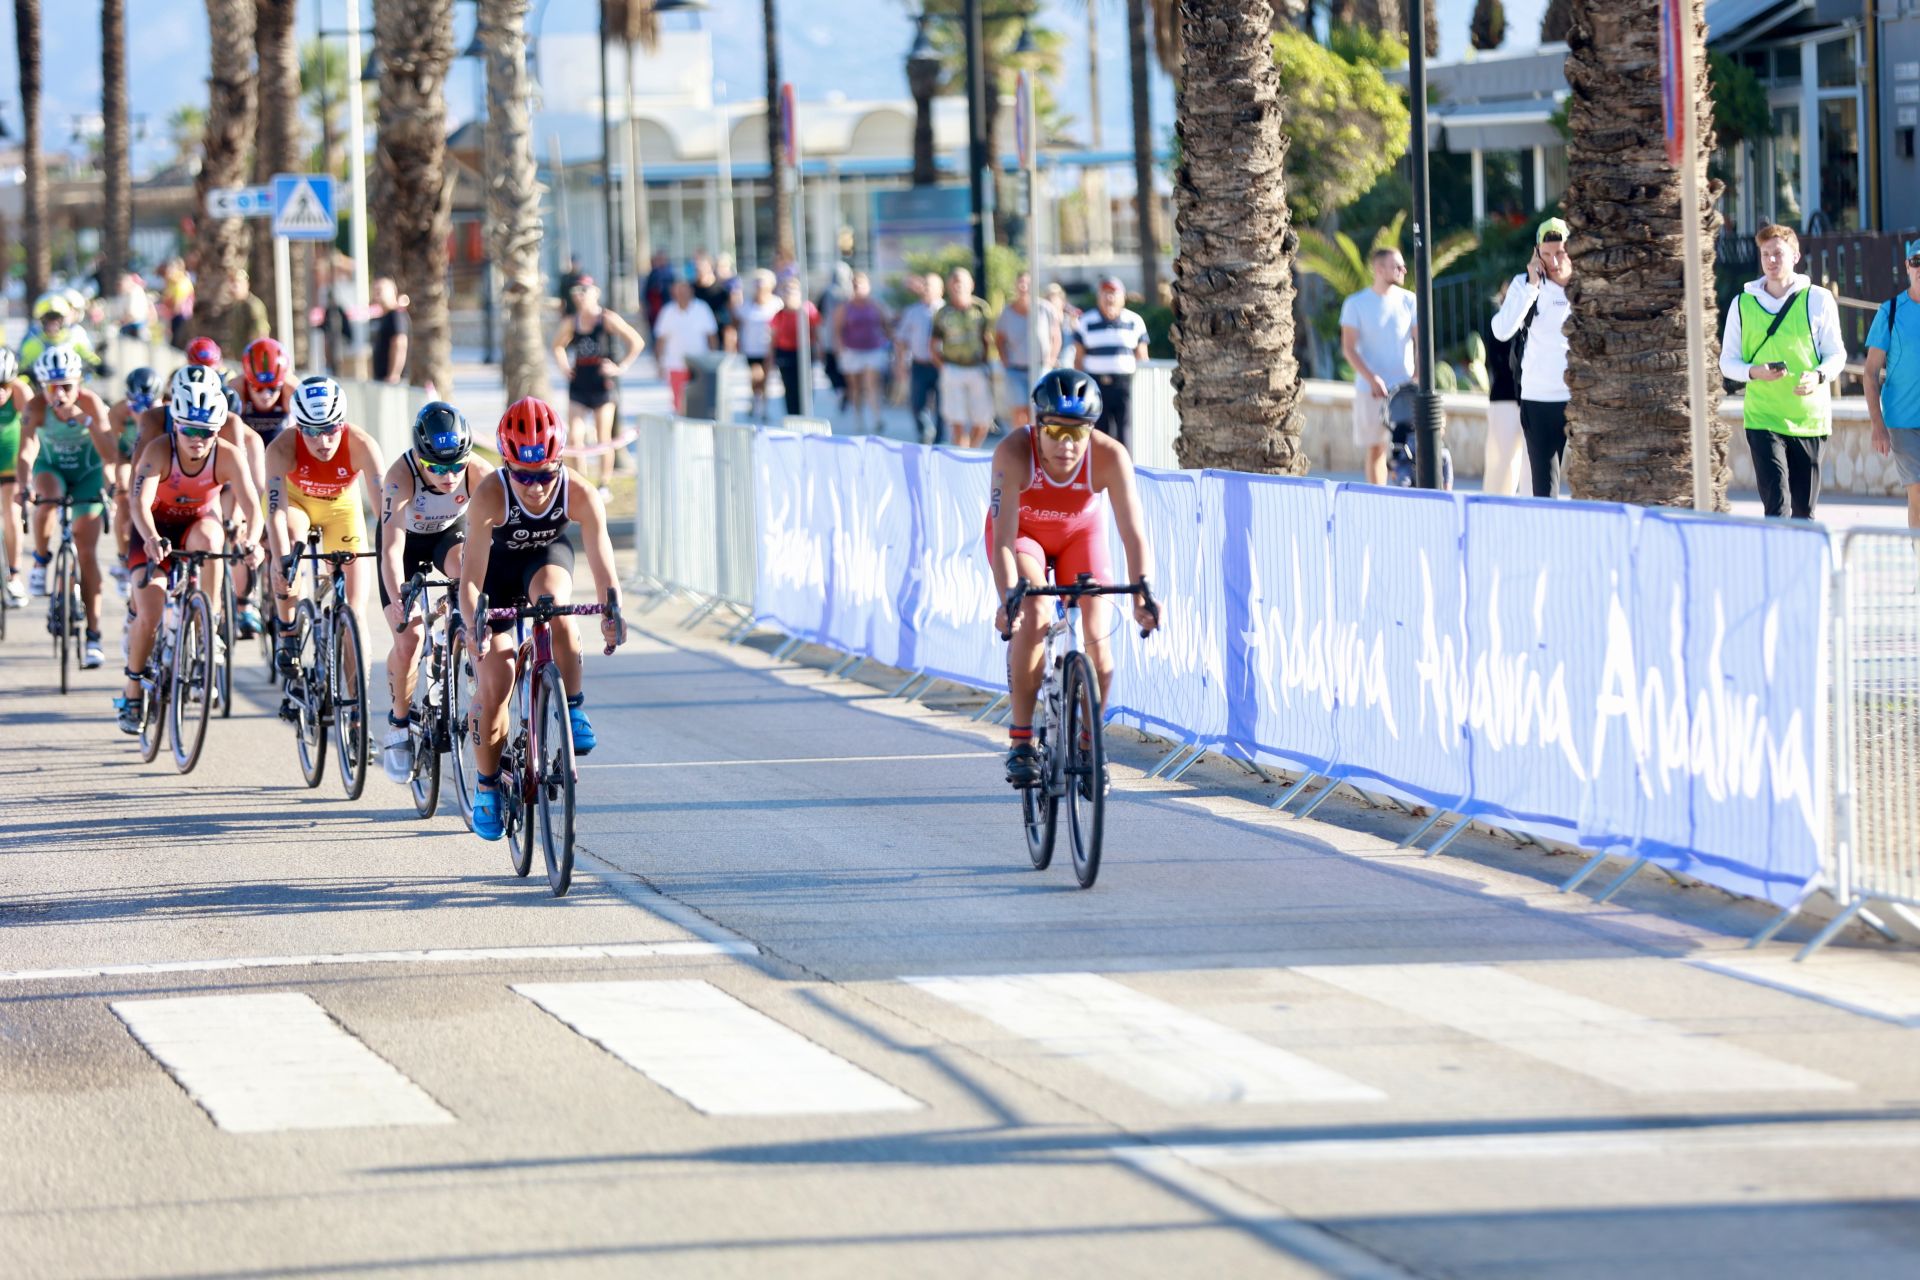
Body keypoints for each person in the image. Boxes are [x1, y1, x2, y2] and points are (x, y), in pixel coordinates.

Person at [459, 398, 628, 841]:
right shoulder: (490, 494)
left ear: (559, 463)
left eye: (544, 475)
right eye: (523, 476)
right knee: (495, 682)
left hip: (544, 561)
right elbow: (471, 580)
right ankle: (488, 786)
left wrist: (612, 610)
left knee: (557, 608)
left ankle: (571, 707)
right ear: (506, 466)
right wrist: (474, 623)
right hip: (496, 574)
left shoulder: (580, 492)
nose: (534, 487)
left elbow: (603, 564)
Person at [987, 369, 1159, 788]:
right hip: (1023, 538)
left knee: (1098, 641)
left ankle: (1088, 740)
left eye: (1077, 434)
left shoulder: (1110, 456)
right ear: (1038, 427)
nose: (1066, 445)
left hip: (1080, 537)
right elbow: (1004, 539)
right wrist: (1008, 597)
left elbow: (1133, 532)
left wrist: (1142, 593)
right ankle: (1022, 740)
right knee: (1035, 611)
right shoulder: (1013, 452)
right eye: (1056, 432)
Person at [118, 379, 263, 734]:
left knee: (213, 537)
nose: (198, 439)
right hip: (155, 527)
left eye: (207, 431)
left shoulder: (227, 454)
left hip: (198, 524)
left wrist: (254, 542)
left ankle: (207, 622)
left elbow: (252, 507)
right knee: (149, 613)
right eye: (189, 430)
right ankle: (133, 689)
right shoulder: (157, 450)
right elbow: (139, 502)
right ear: (176, 425)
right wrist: (151, 538)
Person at [378, 402, 492, 784]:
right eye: (438, 468)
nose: (449, 476)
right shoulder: (400, 476)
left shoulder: (477, 471)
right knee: (409, 636)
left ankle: (457, 634)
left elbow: (499, 537)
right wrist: (398, 601)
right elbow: (391, 550)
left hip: (447, 535)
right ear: (419, 457)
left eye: (456, 466)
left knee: (467, 571)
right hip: (407, 543)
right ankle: (397, 720)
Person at [1718, 224, 1848, 520]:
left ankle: (1803, 565)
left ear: (1795, 256)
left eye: (1778, 253)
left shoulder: (1818, 299)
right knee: (1776, 507)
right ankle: (1777, 565)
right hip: (1763, 417)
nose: (1771, 260)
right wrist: (1754, 372)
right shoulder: (1743, 303)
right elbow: (1728, 362)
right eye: (1765, 254)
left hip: (1809, 419)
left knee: (1804, 511)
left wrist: (1817, 376)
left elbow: (1836, 354)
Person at [265, 375, 388, 675]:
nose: (324, 441)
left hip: (340, 508)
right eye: (312, 432)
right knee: (290, 546)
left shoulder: (362, 445)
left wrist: (394, 552)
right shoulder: (281, 449)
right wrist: (282, 561)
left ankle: (356, 711)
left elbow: (386, 510)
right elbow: (276, 513)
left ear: (342, 423)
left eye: (332, 429)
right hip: (296, 505)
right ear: (298, 427)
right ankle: (288, 631)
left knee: (355, 616)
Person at [18, 348, 118, 669]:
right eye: (51, 388)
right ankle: (40, 560)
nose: (59, 394)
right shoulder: (35, 407)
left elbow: (111, 454)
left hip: (88, 476)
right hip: (52, 469)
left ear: (78, 384)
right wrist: (24, 486)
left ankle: (94, 634)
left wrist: (84, 420)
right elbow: (26, 452)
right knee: (46, 498)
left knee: (86, 554)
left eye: (66, 387)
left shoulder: (91, 403)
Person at [1491, 217, 1576, 498]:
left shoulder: (1587, 284)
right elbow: (1502, 330)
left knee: (1590, 480)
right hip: (1539, 397)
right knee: (1544, 487)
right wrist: (1531, 286)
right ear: (1537, 253)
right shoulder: (1524, 284)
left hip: (1581, 396)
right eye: (1547, 254)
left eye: (1560, 252)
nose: (1554, 261)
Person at [549, 279, 643, 496]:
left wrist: (621, 367)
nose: (580, 295)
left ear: (595, 292)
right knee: (574, 437)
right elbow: (557, 346)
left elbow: (636, 341)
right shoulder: (572, 322)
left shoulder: (607, 318)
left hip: (602, 385)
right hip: (579, 383)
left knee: (603, 438)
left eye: (584, 290)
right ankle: (580, 483)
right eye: (576, 291)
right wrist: (564, 367)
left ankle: (603, 484)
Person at [1339, 248, 1417, 487]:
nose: (1403, 270)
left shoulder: (1409, 301)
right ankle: (1378, 498)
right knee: (1376, 448)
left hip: (1403, 390)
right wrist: (1372, 378)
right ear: (1379, 269)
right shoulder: (1356, 303)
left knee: (1409, 449)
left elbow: (1420, 342)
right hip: (1370, 390)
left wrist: (1417, 377)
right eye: (1397, 266)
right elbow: (1349, 348)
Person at [1865, 238, 1920, 530]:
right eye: (1916, 261)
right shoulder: (1891, 311)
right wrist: (1878, 425)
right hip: (1903, 421)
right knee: (1918, 495)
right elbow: (1870, 372)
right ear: (1907, 267)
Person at [1071, 276, 1151, 455]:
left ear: (1123, 297)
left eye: (1114, 293)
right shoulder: (1086, 321)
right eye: (1105, 293)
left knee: (1125, 431)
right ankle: (1100, 472)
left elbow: (1142, 356)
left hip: (1124, 384)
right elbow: (1079, 358)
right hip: (1096, 385)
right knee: (1098, 431)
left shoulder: (1134, 321)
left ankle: (1124, 472)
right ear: (1099, 296)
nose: (1110, 298)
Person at [108, 366, 162, 596]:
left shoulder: (164, 412)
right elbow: (111, 452)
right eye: (135, 404)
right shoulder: (119, 413)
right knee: (124, 496)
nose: (140, 411)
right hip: (128, 458)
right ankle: (123, 559)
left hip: (155, 461)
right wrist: (115, 482)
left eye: (147, 404)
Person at [931, 268, 996, 448]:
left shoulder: (981, 308)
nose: (958, 286)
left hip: (976, 367)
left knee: (983, 419)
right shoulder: (943, 313)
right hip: (953, 368)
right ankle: (961, 454)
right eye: (954, 281)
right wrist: (941, 365)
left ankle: (972, 451)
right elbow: (934, 342)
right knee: (957, 420)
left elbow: (987, 338)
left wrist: (987, 363)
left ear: (971, 285)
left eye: (962, 281)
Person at [1479, 281, 1527, 496]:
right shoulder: (1498, 324)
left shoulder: (1533, 324)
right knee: (1501, 463)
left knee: (1529, 465)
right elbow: (1501, 363)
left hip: (1530, 399)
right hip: (1505, 399)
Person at [833, 271, 893, 435]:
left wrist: (890, 343)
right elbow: (837, 330)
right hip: (852, 351)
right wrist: (839, 351)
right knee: (855, 387)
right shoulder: (845, 308)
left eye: (862, 285)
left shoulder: (876, 305)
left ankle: (877, 417)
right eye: (855, 285)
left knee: (871, 384)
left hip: (873, 350)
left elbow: (886, 324)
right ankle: (858, 417)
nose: (859, 288)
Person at [651, 279, 720, 415]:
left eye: (685, 289)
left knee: (700, 401)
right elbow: (660, 340)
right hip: (676, 364)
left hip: (699, 365)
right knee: (679, 402)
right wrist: (659, 363)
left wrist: (713, 360)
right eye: (678, 290)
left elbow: (712, 336)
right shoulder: (668, 311)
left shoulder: (702, 308)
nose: (682, 293)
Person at [895, 272, 944, 444]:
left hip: (941, 366)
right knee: (917, 404)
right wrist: (900, 364)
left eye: (930, 285)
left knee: (942, 406)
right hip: (920, 364)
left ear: (940, 289)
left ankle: (939, 440)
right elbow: (901, 340)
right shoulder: (912, 312)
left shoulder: (946, 312)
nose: (926, 289)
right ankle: (925, 431)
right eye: (925, 285)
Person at [0, 348, 31, 607]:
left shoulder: (21, 392)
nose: (0, 392)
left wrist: (29, 473)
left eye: (5, 385)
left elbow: (34, 433)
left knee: (12, 513)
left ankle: (14, 574)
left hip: (11, 462)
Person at [734, 270, 783, 422]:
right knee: (756, 376)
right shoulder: (747, 305)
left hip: (769, 347)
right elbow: (738, 323)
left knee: (766, 378)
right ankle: (755, 399)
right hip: (751, 348)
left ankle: (763, 406)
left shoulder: (776, 303)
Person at [20, 293, 106, 379]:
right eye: (48, 318)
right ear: (40, 320)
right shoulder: (33, 343)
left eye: (57, 318)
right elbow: (22, 370)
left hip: (72, 388)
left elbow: (90, 359)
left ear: (64, 320)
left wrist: (99, 367)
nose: (53, 323)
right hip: (43, 389)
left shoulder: (75, 339)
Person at [995, 272, 1040, 433]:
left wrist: (1050, 359)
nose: (1023, 287)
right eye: (1020, 283)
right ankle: (1021, 445)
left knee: (1036, 410)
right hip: (1016, 369)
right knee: (1018, 410)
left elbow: (1055, 335)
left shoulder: (1043, 309)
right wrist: (1005, 360)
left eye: (1027, 283)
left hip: (1038, 369)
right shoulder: (1007, 312)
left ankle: (1036, 446)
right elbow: (999, 339)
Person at [770, 277, 820, 418]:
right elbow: (773, 337)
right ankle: (793, 416)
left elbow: (816, 332)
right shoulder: (779, 314)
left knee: (806, 385)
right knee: (789, 386)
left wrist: (820, 351)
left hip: (804, 352)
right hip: (785, 353)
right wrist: (772, 357)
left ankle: (806, 414)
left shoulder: (808, 309)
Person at [818, 261, 855, 411]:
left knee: (837, 367)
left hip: (842, 337)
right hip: (836, 337)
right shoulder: (832, 293)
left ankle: (844, 391)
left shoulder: (849, 293)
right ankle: (843, 391)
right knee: (833, 367)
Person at [370, 277, 411, 385]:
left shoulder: (395, 315)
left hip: (392, 382)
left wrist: (394, 374)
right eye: (375, 290)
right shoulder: (384, 316)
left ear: (392, 292)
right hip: (382, 379)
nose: (377, 293)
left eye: (380, 290)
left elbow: (400, 344)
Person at [692, 254, 736, 353]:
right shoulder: (691, 291)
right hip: (697, 339)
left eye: (701, 267)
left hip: (718, 338)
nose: (699, 271)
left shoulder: (721, 291)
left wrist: (729, 346)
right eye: (696, 268)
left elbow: (728, 322)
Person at [222, 269, 271, 357]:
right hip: (239, 358)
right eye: (231, 283)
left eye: (237, 283)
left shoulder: (253, 306)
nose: (233, 287)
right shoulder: (236, 306)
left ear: (246, 285)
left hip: (252, 358)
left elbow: (261, 335)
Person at [159, 259, 195, 351]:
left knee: (178, 343)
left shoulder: (182, 283)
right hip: (173, 317)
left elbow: (177, 306)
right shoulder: (171, 284)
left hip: (182, 317)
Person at [641, 251, 676, 336]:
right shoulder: (652, 274)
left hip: (667, 307)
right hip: (654, 311)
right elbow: (646, 293)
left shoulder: (670, 274)